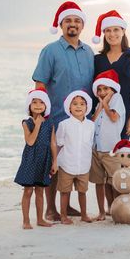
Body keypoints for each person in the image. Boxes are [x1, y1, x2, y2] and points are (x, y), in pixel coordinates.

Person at [32, 1, 94, 220]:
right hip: (56, 116)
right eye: (68, 20)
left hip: (81, 120)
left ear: (82, 26)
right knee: (53, 163)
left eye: (77, 21)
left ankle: (67, 206)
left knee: (74, 161)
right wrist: (40, 116)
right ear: (61, 24)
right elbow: (40, 83)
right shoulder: (50, 50)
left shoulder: (88, 52)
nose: (73, 24)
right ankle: (51, 209)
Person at [92, 9, 130, 213]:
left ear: (123, 31)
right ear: (104, 34)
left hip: (122, 116)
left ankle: (123, 205)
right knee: (103, 161)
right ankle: (110, 208)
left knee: (120, 163)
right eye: (108, 31)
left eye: (116, 30)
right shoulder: (98, 60)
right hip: (101, 117)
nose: (112, 34)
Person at [14, 88, 57, 229]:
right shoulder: (27, 123)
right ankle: (26, 221)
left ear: (46, 106)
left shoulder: (50, 123)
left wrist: (55, 161)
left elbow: (52, 143)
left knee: (40, 190)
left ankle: (40, 219)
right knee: (28, 190)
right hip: (30, 160)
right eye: (34, 102)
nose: (38, 105)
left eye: (41, 102)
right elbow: (30, 141)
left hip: (44, 159)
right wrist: (37, 124)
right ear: (29, 105)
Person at [89, 69, 126, 220]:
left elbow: (114, 117)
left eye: (106, 88)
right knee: (100, 182)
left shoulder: (117, 99)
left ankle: (117, 208)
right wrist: (101, 104)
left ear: (113, 89)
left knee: (114, 181)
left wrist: (105, 103)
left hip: (111, 149)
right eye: (100, 89)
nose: (102, 91)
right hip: (97, 148)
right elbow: (91, 123)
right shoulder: (99, 104)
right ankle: (103, 211)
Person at [56, 90, 94, 224]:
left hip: (84, 165)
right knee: (65, 192)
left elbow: (90, 144)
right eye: (75, 104)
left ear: (87, 107)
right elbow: (59, 143)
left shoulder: (91, 125)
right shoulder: (64, 125)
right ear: (69, 107)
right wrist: (54, 162)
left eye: (82, 104)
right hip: (67, 164)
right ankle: (63, 216)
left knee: (82, 191)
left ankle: (84, 215)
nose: (78, 106)